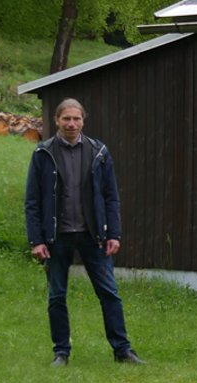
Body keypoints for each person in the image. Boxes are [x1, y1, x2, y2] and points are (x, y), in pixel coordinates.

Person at [24, 98, 145, 367]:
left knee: (109, 293)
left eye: (76, 118)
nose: (71, 123)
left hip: (94, 237)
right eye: (66, 118)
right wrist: (37, 240)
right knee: (57, 296)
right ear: (56, 120)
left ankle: (122, 350)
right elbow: (32, 201)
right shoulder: (43, 153)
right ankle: (61, 353)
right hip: (57, 237)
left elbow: (111, 196)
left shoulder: (98, 151)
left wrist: (114, 233)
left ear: (83, 120)